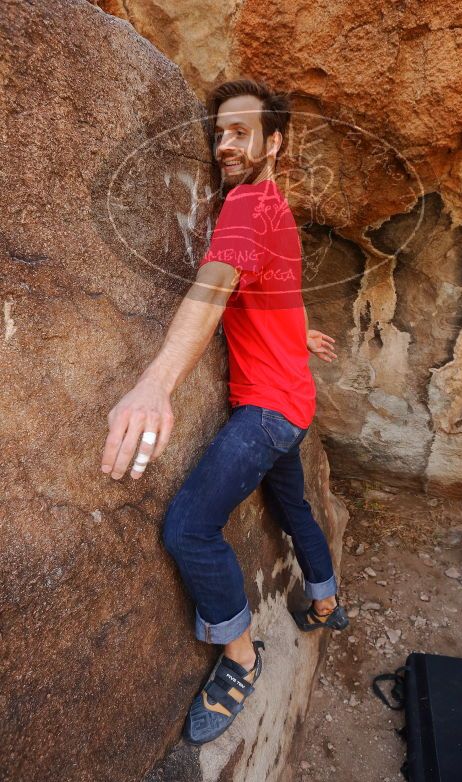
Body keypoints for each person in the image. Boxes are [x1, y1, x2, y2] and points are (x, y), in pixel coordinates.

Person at [101, 77, 349, 745]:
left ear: (275, 142)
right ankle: (326, 601)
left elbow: (213, 290)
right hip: (295, 402)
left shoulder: (246, 208)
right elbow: (278, 283)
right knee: (295, 507)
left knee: (187, 528)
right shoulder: (275, 209)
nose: (225, 144)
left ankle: (241, 658)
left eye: (242, 131)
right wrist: (296, 333)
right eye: (219, 133)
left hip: (268, 412)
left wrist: (157, 382)